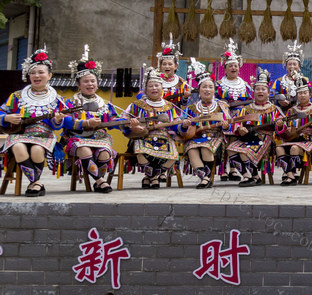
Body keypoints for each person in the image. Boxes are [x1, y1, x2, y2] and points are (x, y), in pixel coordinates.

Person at [0, 47, 74, 197]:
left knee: (37, 150)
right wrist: (7, 118)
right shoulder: (16, 96)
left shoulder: (57, 99)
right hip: (20, 134)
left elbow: (65, 123)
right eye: (32, 72)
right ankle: (37, 183)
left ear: (49, 75)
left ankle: (34, 183)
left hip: (44, 136)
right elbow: (1, 112)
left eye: (41, 72)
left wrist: (57, 120)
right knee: (18, 147)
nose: (36, 75)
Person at [64, 46, 118, 193]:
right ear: (78, 84)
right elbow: (65, 121)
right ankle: (100, 181)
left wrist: (128, 123)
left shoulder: (105, 104)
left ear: (97, 83)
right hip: (77, 137)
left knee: (105, 153)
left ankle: (98, 182)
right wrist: (85, 123)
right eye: (86, 81)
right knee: (84, 150)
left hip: (100, 137)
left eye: (93, 81)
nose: (90, 84)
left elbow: (114, 120)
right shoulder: (70, 103)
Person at [123, 68, 187, 189]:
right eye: (150, 86)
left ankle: (149, 177)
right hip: (142, 135)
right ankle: (154, 178)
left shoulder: (169, 106)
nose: (154, 88)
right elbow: (122, 120)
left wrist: (183, 126)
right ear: (145, 89)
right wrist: (132, 125)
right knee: (140, 151)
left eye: (157, 85)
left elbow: (175, 124)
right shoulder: (136, 105)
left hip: (164, 136)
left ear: (162, 88)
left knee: (173, 156)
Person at [180, 58, 231, 189]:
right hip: (196, 137)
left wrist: (226, 126)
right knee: (191, 148)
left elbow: (230, 123)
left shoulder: (221, 105)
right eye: (204, 87)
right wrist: (184, 125)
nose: (207, 90)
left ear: (214, 90)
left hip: (215, 137)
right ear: (199, 89)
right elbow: (181, 125)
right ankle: (205, 178)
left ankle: (206, 178)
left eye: (210, 87)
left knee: (205, 147)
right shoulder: (191, 108)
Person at [227, 68, 282, 187]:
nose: (260, 91)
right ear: (253, 92)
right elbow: (236, 122)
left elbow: (282, 127)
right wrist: (239, 128)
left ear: (268, 93)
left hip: (265, 138)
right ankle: (247, 176)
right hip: (248, 137)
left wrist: (280, 124)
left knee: (243, 152)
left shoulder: (274, 109)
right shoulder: (246, 109)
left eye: (263, 89)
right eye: (257, 89)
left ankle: (255, 177)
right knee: (230, 149)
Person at [275, 74, 312, 185]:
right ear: (296, 95)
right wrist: (281, 126)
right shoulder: (291, 111)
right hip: (293, 139)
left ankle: (291, 175)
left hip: (310, 140)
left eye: (305, 93)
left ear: (310, 95)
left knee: (294, 148)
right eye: (300, 93)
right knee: (279, 148)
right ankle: (290, 175)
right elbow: (284, 130)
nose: (302, 95)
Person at [217, 39, 252, 181]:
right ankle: (223, 170)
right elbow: (215, 100)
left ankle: (233, 169)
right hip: (224, 116)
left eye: (235, 66)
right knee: (224, 141)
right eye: (230, 66)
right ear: (225, 68)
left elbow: (250, 101)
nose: (233, 68)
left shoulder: (245, 85)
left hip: (240, 118)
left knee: (236, 140)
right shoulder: (219, 84)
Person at [272, 40, 312, 111]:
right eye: (289, 64)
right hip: (283, 112)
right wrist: (279, 101)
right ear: (286, 66)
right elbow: (271, 96)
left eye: (295, 64)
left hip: (302, 111)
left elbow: (311, 97)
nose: (292, 67)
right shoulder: (279, 81)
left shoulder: (305, 80)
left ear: (299, 67)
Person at [154, 34, 191, 106]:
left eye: (170, 64)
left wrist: (185, 97)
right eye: (164, 64)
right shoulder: (155, 80)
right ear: (160, 66)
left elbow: (185, 103)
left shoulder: (181, 82)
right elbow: (142, 94)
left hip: (174, 111)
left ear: (176, 66)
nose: (167, 66)